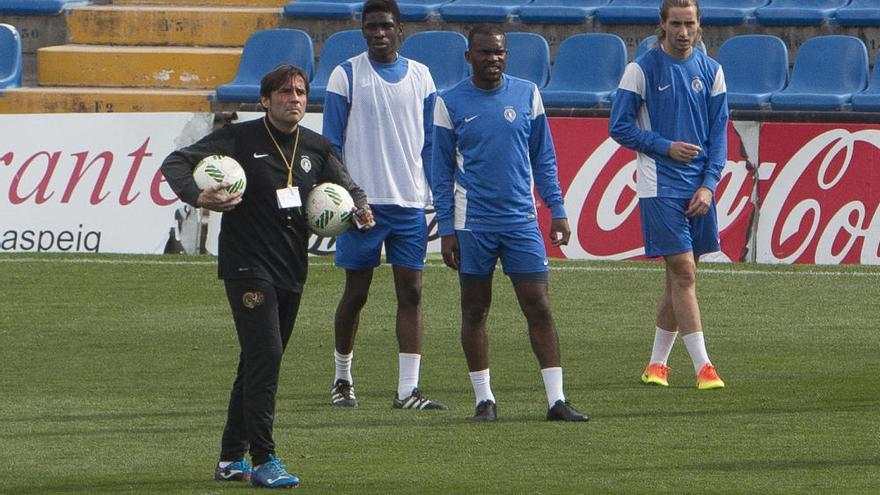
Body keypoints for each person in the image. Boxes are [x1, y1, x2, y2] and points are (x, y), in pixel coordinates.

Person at [161, 64, 373, 489]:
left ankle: (228, 459)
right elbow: (176, 162)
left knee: (256, 360)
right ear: (265, 100)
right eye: (283, 92)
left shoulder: (316, 146)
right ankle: (264, 456)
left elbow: (350, 189)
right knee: (266, 356)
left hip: (291, 268)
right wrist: (197, 194)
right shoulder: (239, 139)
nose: (293, 98)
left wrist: (361, 212)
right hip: (246, 267)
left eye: (299, 92)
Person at [431, 24, 588, 422]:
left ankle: (556, 400)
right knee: (474, 310)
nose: (493, 59)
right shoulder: (448, 103)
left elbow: (544, 160)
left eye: (499, 52)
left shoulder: (527, 94)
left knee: (539, 306)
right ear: (469, 57)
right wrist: (447, 229)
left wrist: (559, 209)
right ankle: (485, 400)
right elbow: (440, 171)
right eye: (484, 52)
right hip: (473, 224)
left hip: (521, 221)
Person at [322, 0, 446, 410]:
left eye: (386, 26)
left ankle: (407, 390)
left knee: (411, 293)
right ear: (363, 30)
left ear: (400, 30)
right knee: (356, 292)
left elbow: (432, 143)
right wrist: (351, 197)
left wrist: (434, 195)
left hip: (408, 204)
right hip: (363, 205)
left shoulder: (422, 77)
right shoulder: (346, 76)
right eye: (371, 26)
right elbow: (332, 146)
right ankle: (342, 378)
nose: (378, 33)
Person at [609, 0, 726, 390]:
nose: (682, 31)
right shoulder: (640, 69)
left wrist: (709, 184)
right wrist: (663, 146)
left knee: (677, 279)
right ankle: (703, 366)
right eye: (675, 23)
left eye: (688, 23)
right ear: (661, 25)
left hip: (698, 187)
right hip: (658, 184)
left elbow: (719, 135)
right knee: (685, 272)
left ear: (698, 26)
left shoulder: (711, 72)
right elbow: (619, 126)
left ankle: (657, 365)